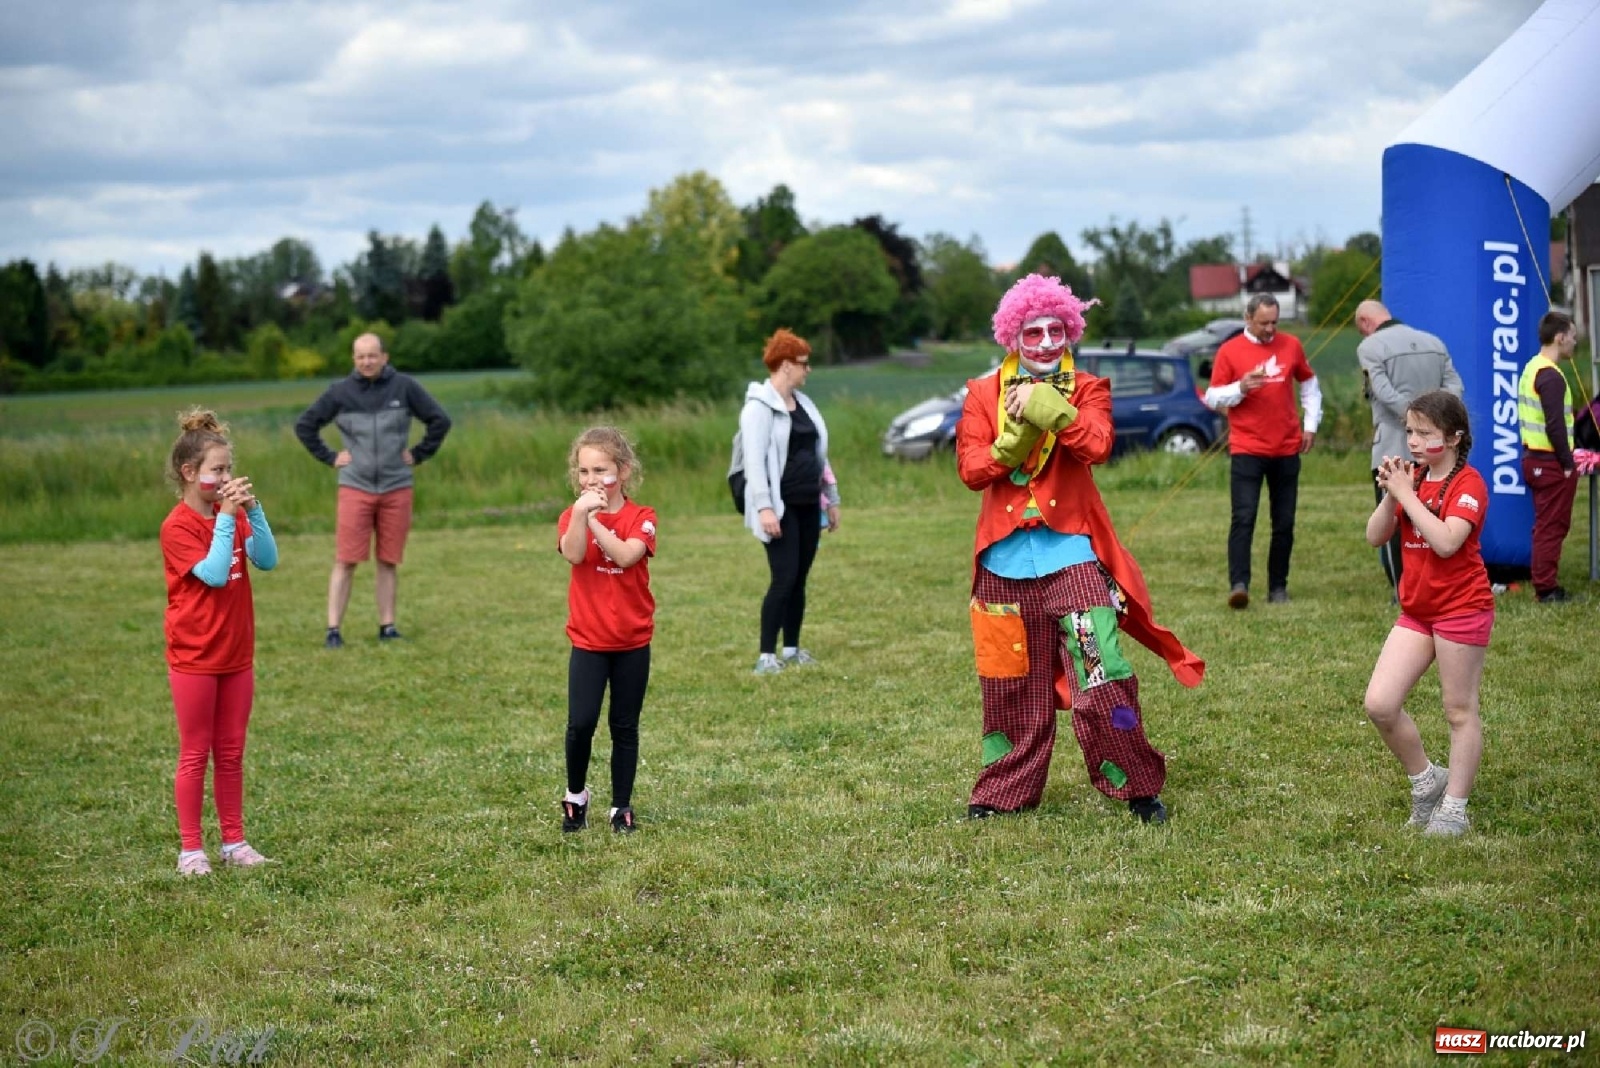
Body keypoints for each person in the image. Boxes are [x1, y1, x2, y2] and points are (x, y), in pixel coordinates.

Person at [958, 274, 1205, 825]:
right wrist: (1013, 438)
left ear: (1069, 333)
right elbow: (972, 471)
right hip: (1001, 564)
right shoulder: (981, 394)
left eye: (1055, 331)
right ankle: (1002, 794)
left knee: (1101, 672)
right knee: (1009, 685)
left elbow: (1097, 445)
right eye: (1032, 331)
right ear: (1011, 336)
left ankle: (1137, 786)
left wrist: (1052, 410)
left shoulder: (1090, 387)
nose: (1046, 342)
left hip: (1071, 557)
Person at [1364, 390, 1493, 836]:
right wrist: (1390, 496)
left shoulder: (1469, 483)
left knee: (1459, 709)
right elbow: (1375, 537)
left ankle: (1455, 807)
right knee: (1379, 704)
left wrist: (1407, 493)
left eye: (1425, 433)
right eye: (1410, 432)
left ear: (1454, 438)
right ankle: (1426, 782)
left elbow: (1446, 541)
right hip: (1418, 610)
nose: (1414, 442)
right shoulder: (1412, 478)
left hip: (1462, 609)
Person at [161, 408, 279, 875]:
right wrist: (227, 519)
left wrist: (255, 512)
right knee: (196, 752)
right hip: (194, 656)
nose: (226, 477)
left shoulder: (233, 516)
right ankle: (191, 849)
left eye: (228, 468)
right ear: (190, 474)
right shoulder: (178, 527)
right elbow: (211, 575)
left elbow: (266, 560)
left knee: (231, 753)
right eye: (217, 470)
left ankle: (235, 843)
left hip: (236, 653)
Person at [294, 332, 452, 648]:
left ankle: (387, 626)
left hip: (397, 486)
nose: (367, 361)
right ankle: (333, 630)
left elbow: (440, 420)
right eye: (360, 356)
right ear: (354, 359)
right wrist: (331, 457)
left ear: (384, 357)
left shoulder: (404, 387)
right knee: (346, 559)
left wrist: (418, 454)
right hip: (355, 485)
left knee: (388, 559)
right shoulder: (340, 392)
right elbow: (305, 425)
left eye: (372, 355)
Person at [557, 427, 657, 834]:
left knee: (624, 725)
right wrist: (582, 514)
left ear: (624, 470)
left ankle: (621, 807)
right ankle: (576, 796)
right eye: (584, 471)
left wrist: (596, 519)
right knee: (581, 723)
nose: (591, 479)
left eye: (601, 469)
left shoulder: (642, 518)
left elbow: (626, 555)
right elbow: (574, 553)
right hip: (589, 641)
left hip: (632, 641)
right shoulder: (571, 516)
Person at [1204, 293, 1322, 608]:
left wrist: (1310, 425)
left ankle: (1278, 587)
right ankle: (1239, 584)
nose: (1270, 329)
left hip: (1286, 448)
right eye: (1263, 323)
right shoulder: (1229, 352)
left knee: (1284, 522)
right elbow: (1213, 398)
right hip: (1247, 448)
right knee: (1244, 518)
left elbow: (1309, 385)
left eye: (1274, 322)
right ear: (1248, 319)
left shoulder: (1291, 345)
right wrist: (1240, 388)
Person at [740, 328, 840, 675]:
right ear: (785, 365)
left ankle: (792, 648)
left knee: (800, 578)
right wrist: (765, 507)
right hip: (778, 509)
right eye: (803, 363)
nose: (807, 370)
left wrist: (831, 499)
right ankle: (766, 655)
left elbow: (818, 455)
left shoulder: (804, 405)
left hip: (807, 504)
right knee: (783, 579)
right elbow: (754, 462)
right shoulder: (758, 408)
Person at [1355, 299, 1464, 591]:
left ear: (1365, 323)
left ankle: (1400, 587)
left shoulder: (1370, 347)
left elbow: (1383, 391)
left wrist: (1416, 421)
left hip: (1392, 448)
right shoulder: (1434, 342)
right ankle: (1435, 582)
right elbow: (1455, 387)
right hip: (1439, 450)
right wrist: (1436, 422)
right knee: (1436, 516)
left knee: (1391, 521)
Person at [1518, 311, 1580, 603]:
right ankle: (1546, 588)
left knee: (1545, 524)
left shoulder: (1533, 367)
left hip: (1536, 457)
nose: (1575, 342)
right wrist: (1568, 464)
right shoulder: (1551, 376)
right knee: (1551, 526)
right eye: (1573, 336)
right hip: (1549, 461)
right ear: (1560, 337)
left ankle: (1544, 582)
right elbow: (1555, 424)